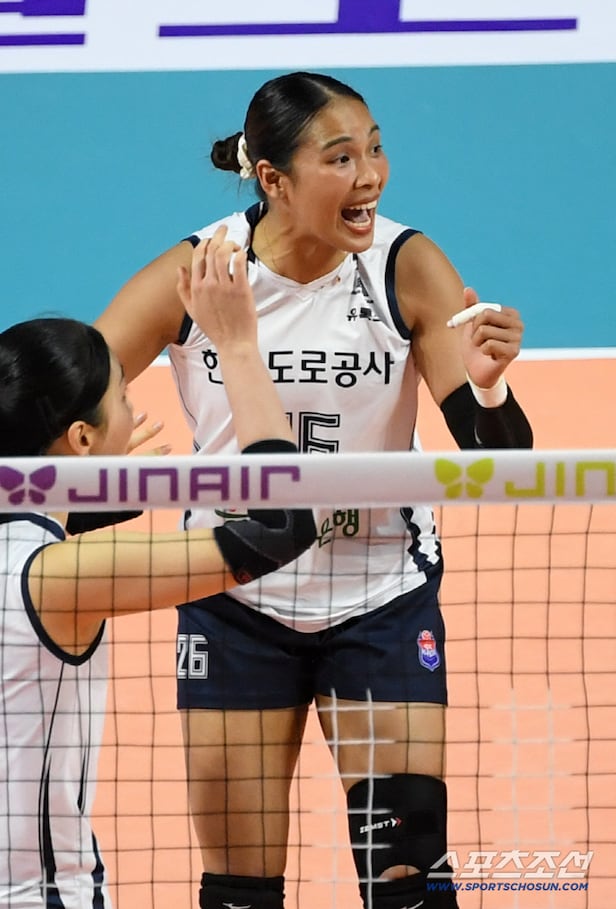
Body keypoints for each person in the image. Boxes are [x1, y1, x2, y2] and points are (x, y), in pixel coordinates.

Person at [95, 71, 534, 909]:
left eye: (376, 149)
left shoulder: (408, 267)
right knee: (240, 892)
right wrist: (108, 489)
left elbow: (503, 466)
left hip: (380, 603)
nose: (370, 175)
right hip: (233, 602)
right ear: (273, 179)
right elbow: (66, 408)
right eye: (340, 158)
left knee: (409, 885)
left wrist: (486, 387)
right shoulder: (199, 273)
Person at [0, 235, 317, 909]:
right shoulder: (63, 576)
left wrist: (88, 498)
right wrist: (237, 347)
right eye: (122, 398)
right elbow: (283, 527)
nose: (135, 413)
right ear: (81, 439)